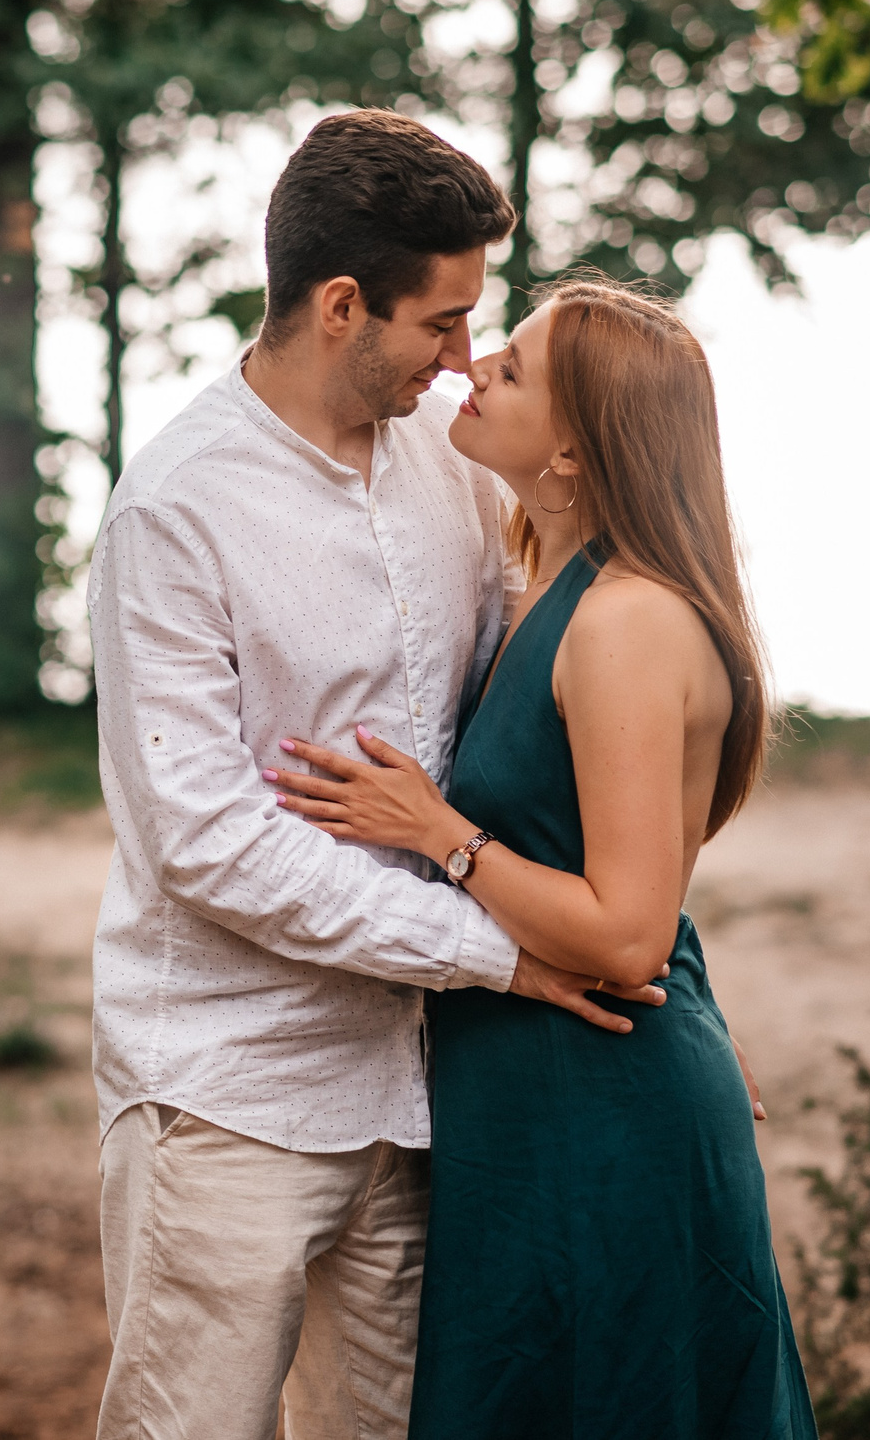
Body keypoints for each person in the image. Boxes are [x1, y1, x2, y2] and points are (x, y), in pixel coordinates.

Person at [85, 112, 666, 1440]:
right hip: (226, 1093)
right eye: (442, 324)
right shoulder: (174, 507)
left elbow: (522, 742)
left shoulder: (449, 467)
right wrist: (496, 955)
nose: (463, 361)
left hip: (424, 1093)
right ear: (342, 304)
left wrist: (661, 977)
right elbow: (206, 841)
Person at [269, 278, 818, 1439]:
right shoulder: (547, 591)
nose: (472, 367)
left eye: (510, 368)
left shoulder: (624, 621)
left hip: (602, 1115)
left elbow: (625, 930)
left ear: (571, 449)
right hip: (534, 1107)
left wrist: (439, 832)